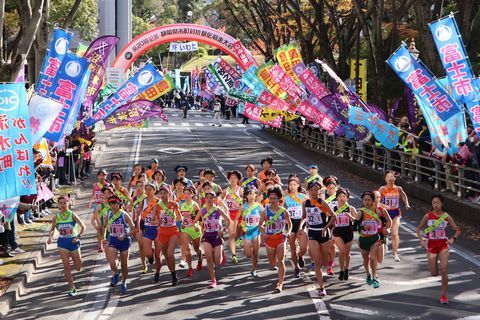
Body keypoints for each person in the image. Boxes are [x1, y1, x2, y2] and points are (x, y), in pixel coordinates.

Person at [416, 195, 461, 304]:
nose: (435, 205)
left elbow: (457, 230)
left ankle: (444, 295)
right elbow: (419, 229)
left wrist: (452, 239)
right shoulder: (428, 216)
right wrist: (421, 240)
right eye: (434, 203)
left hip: (443, 245)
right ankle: (434, 267)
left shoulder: (446, 216)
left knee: (444, 269)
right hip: (431, 245)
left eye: (438, 203)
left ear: (442, 204)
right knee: (434, 273)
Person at [302, 181, 335, 297]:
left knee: (324, 262)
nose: (313, 192)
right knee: (317, 262)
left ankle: (329, 262)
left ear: (319, 191)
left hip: (323, 233)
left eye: (316, 190)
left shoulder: (322, 202)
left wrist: (325, 227)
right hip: (312, 234)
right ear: (308, 192)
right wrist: (302, 225)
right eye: (311, 190)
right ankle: (322, 287)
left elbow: (333, 216)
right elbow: (304, 217)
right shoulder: (305, 203)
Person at [47, 195, 85, 296]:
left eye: (65, 203)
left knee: (78, 267)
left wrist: (78, 236)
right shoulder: (56, 217)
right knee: (66, 267)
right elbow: (52, 229)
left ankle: (77, 264)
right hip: (63, 243)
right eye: (61, 203)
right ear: (58, 205)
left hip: (73, 243)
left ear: (68, 203)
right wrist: (50, 237)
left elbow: (83, 226)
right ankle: (72, 288)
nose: (63, 205)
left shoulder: (72, 215)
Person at [194, 191, 231, 288]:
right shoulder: (202, 211)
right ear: (205, 199)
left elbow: (228, 220)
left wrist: (223, 230)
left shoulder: (217, 209)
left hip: (216, 235)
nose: (209, 200)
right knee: (209, 257)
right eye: (207, 198)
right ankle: (213, 280)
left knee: (217, 262)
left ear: (214, 199)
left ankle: (221, 251)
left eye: (211, 198)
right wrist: (196, 227)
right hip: (207, 235)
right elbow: (195, 222)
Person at [103, 195, 137, 294]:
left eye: (115, 203)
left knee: (124, 264)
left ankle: (124, 282)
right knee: (113, 263)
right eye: (111, 204)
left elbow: (134, 228)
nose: (113, 206)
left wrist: (125, 235)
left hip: (124, 241)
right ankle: (116, 273)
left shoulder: (124, 214)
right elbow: (104, 227)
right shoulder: (107, 215)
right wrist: (104, 238)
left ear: (119, 204)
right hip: (113, 240)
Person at [379, 170, 411, 262]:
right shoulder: (382, 189)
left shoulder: (398, 188)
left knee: (394, 233)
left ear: (395, 178)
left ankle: (395, 253)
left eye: (392, 177)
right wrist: (383, 206)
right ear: (385, 179)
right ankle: (384, 242)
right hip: (385, 213)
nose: (390, 178)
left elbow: (404, 195)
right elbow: (376, 201)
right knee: (385, 232)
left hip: (395, 212)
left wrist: (407, 204)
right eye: (388, 177)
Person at [354, 191, 383, 289]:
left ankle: (375, 277)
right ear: (362, 201)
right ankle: (368, 274)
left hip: (374, 239)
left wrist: (385, 230)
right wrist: (362, 227)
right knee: (366, 260)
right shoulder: (360, 212)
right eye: (365, 200)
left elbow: (383, 223)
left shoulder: (377, 212)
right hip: (363, 239)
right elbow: (354, 227)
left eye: (369, 200)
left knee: (373, 258)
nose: (367, 202)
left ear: (372, 201)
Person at [156, 185, 182, 286]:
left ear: (169, 194)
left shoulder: (174, 204)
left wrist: (182, 223)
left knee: (170, 253)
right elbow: (153, 219)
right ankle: (172, 273)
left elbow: (179, 217)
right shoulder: (157, 206)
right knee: (166, 256)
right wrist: (158, 221)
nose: (162, 195)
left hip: (173, 231)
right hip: (162, 232)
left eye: (164, 193)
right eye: (161, 193)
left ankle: (174, 274)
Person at [284, 176, 308, 277]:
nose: (292, 187)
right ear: (288, 187)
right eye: (290, 185)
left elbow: (308, 211)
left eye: (294, 184)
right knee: (292, 247)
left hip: (301, 222)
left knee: (303, 248)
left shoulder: (304, 197)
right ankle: (296, 268)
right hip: (291, 223)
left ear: (298, 185)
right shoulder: (286, 198)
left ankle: (301, 255)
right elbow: (283, 211)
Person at [237, 186, 263, 278]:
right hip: (247, 232)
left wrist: (263, 226)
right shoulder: (243, 207)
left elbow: (265, 217)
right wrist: (238, 227)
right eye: (249, 194)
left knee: (255, 253)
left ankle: (254, 269)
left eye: (253, 194)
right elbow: (237, 219)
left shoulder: (259, 206)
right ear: (246, 196)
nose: (251, 196)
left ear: (256, 195)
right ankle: (246, 247)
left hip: (256, 231)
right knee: (248, 255)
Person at [137, 183, 161, 278]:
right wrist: (138, 226)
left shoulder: (159, 202)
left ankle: (157, 274)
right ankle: (151, 254)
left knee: (158, 256)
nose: (147, 191)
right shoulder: (142, 202)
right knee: (147, 253)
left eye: (150, 189)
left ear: (154, 191)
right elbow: (138, 214)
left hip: (158, 229)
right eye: (146, 189)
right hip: (147, 229)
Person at [332, 188, 357, 281]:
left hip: (348, 232)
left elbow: (357, 221)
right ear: (337, 198)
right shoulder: (334, 208)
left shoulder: (351, 208)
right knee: (342, 251)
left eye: (344, 196)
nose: (342, 198)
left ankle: (346, 269)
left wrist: (350, 216)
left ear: (347, 198)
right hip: (338, 232)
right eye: (339, 196)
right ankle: (341, 270)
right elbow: (330, 220)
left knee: (347, 254)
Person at [179, 187, 203, 277]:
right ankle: (190, 268)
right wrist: (181, 223)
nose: (186, 195)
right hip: (185, 229)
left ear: (192, 195)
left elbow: (199, 218)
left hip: (195, 229)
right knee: (187, 249)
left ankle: (200, 259)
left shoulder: (195, 205)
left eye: (188, 193)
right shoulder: (182, 205)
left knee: (197, 249)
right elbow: (181, 217)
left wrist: (197, 226)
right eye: (185, 193)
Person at [222, 170, 243, 264]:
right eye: (231, 178)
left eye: (235, 178)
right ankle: (233, 255)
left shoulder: (241, 190)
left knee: (238, 232)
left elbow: (246, 202)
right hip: (229, 215)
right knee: (232, 235)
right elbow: (219, 200)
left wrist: (239, 203)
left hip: (239, 214)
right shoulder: (226, 191)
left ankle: (240, 238)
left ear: (238, 179)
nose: (233, 180)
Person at [321, 175, 339, 276]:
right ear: (326, 188)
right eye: (329, 188)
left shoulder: (340, 196)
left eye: (333, 188)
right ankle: (327, 260)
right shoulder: (323, 197)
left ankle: (330, 264)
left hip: (336, 224)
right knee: (327, 245)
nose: (331, 190)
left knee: (332, 245)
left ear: (336, 188)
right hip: (326, 223)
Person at [91, 187, 114, 254]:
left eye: (109, 193)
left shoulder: (116, 205)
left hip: (113, 231)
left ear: (112, 194)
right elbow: (92, 220)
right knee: (108, 253)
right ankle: (100, 244)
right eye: (104, 193)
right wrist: (97, 227)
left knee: (113, 251)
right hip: (104, 230)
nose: (107, 195)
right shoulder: (99, 206)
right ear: (102, 195)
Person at [372, 190, 392, 264]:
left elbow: (389, 221)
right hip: (369, 234)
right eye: (374, 197)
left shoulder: (382, 210)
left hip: (380, 234)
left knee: (380, 260)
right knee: (372, 257)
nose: (375, 199)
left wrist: (387, 228)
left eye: (377, 197)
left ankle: (385, 241)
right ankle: (371, 270)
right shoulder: (365, 209)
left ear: (379, 199)